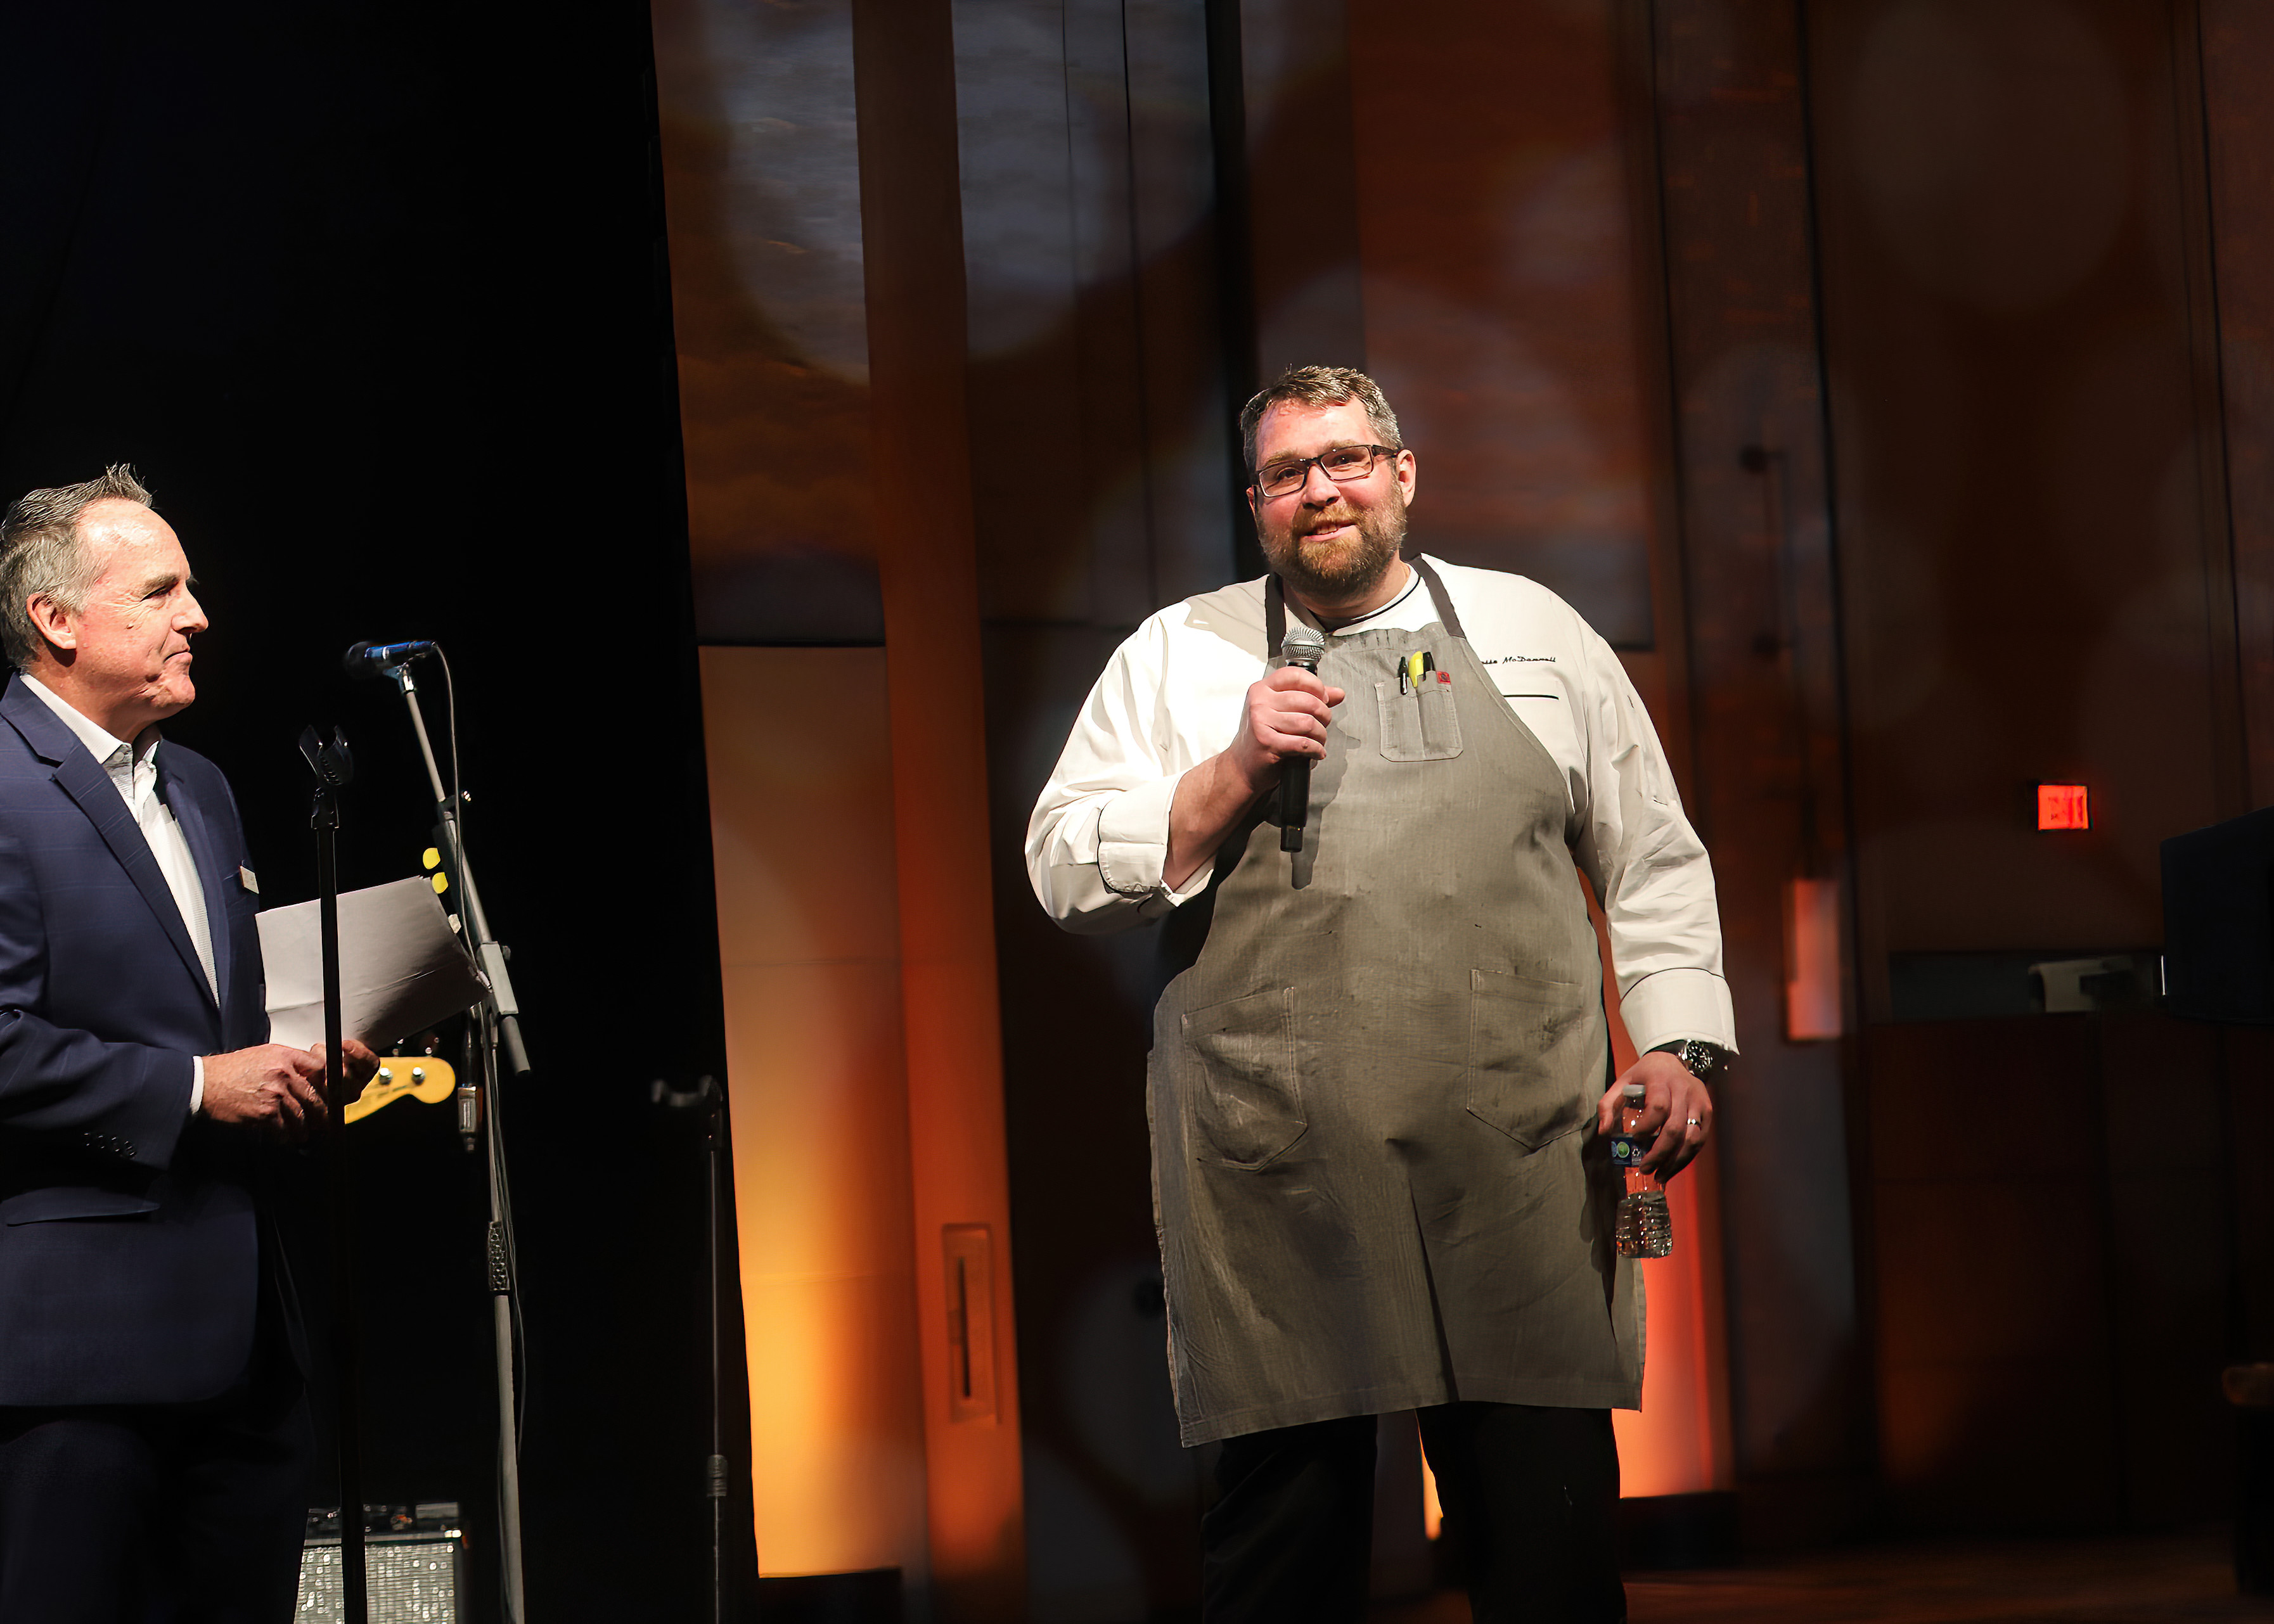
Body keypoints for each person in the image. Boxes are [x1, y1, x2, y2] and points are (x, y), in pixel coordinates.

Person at [1027, 368, 1738, 1623]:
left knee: (1552, 1551)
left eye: (1348, 459)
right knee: (1283, 1562)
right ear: (1256, 503)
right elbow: (1060, 866)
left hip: (1516, 1161)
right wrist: (1230, 767)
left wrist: (1680, 1046)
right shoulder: (1179, 656)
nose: (1324, 490)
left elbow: (1653, 855)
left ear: (1403, 474)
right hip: (1282, 1173)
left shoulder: (1538, 632)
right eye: (1291, 472)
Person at [0, 466, 376, 1621]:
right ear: (56, 621)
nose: (197, 615)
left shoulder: (203, 789)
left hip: (248, 1343)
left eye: (192, 589)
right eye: (161, 591)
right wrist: (196, 1088)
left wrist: (299, 1060)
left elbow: (212, 1019)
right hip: (78, 1356)